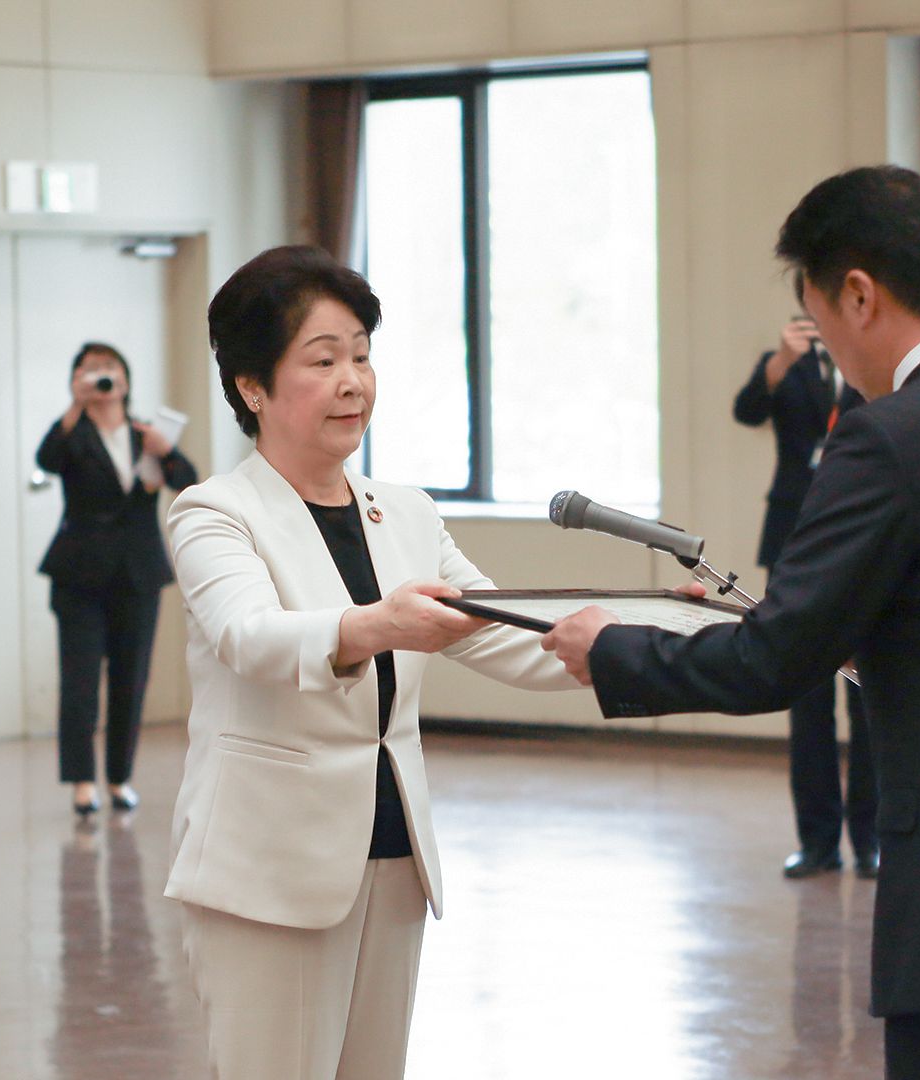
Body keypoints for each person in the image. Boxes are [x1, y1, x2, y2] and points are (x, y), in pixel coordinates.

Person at [543, 166, 920, 1080]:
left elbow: (773, 663)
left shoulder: (889, 437)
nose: (834, 350)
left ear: (860, 295)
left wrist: (614, 650)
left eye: (827, 323)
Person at [163, 245, 582, 1080]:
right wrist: (372, 626)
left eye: (362, 354)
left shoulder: (408, 512)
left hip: (392, 853)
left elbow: (502, 630)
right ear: (252, 386)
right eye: (323, 360)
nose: (354, 380)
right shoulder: (214, 512)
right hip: (271, 868)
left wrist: (661, 639)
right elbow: (251, 635)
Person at [733, 316, 878, 879]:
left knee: (869, 698)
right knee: (806, 694)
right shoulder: (785, 362)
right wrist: (777, 362)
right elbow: (746, 411)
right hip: (793, 533)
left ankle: (871, 839)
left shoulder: (872, 360)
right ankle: (817, 842)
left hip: (863, 535)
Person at [36, 342, 198, 815]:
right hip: (78, 572)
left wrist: (164, 452)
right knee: (80, 682)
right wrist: (74, 407)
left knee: (132, 680)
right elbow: (47, 459)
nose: (102, 378)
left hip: (138, 572)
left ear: (126, 379)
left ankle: (120, 779)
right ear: (77, 381)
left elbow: (188, 479)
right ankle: (82, 781)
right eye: (90, 371)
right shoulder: (73, 433)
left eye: (109, 369)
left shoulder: (146, 432)